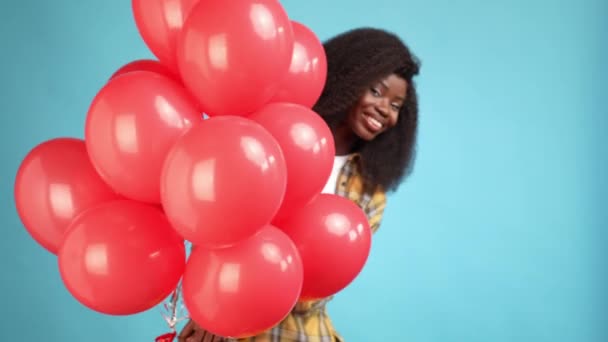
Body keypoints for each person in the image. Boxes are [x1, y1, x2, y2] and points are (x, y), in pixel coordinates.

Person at [177, 26, 421, 342]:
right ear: (349, 79)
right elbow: (220, 226)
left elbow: (318, 286)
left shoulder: (371, 195)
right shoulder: (273, 140)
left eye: (396, 105)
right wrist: (213, 312)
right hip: (224, 326)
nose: (384, 110)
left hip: (301, 333)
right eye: (376, 91)